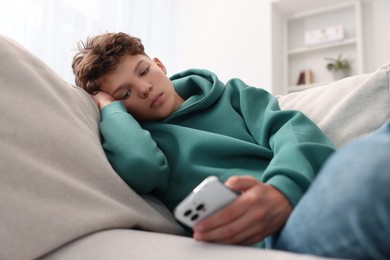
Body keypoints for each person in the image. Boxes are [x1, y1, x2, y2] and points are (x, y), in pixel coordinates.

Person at [71, 32, 335, 248]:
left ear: (160, 65)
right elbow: (141, 166)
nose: (144, 89)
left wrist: (283, 188)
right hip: (271, 238)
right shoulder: (146, 141)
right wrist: (109, 108)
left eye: (143, 71)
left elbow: (293, 130)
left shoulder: (233, 93)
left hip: (312, 193)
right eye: (125, 93)